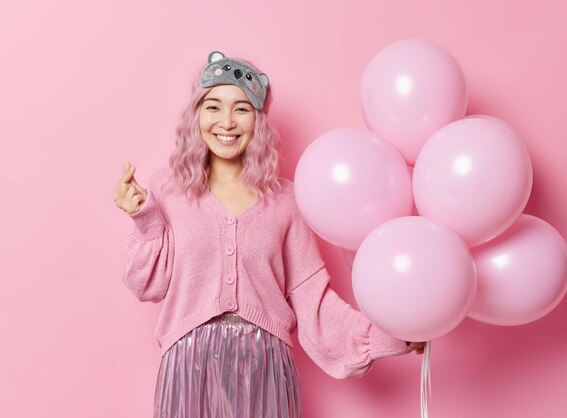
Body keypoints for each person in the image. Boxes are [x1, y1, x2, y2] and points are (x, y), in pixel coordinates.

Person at [114, 51, 425, 418]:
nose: (226, 122)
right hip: (188, 365)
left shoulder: (287, 201)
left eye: (242, 109)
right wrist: (144, 217)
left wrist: (391, 333)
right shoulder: (169, 189)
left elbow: (313, 300)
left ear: (258, 121)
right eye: (213, 107)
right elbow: (146, 284)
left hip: (264, 368)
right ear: (196, 115)